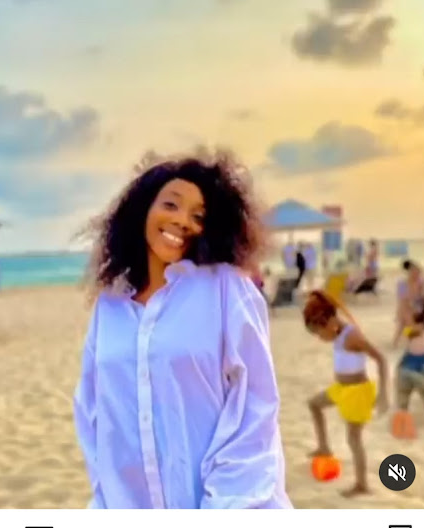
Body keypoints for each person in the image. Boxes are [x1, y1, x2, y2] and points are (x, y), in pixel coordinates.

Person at [73, 150, 291, 509]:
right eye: (171, 205)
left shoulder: (227, 288)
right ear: (143, 209)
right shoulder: (109, 306)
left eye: (198, 215)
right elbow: (94, 412)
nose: (182, 221)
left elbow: (255, 407)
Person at [303, 291, 389, 497]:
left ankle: (362, 484)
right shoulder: (338, 332)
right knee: (314, 404)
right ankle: (324, 447)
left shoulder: (352, 337)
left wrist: (383, 394)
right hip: (341, 389)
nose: (320, 338)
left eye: (319, 332)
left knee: (353, 439)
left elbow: (381, 359)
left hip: (357, 392)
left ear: (331, 322)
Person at [395, 300, 424, 420]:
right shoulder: (423, 329)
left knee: (404, 398)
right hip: (419, 367)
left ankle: (403, 417)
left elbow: (412, 332)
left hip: (414, 367)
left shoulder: (418, 329)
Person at [393, 260, 424, 348]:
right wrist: (411, 306)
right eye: (415, 273)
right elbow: (402, 299)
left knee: (407, 326)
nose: (417, 275)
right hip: (405, 308)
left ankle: (404, 337)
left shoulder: (421, 282)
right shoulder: (402, 284)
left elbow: (423, 295)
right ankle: (408, 338)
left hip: (416, 307)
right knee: (408, 323)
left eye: (418, 273)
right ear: (410, 273)